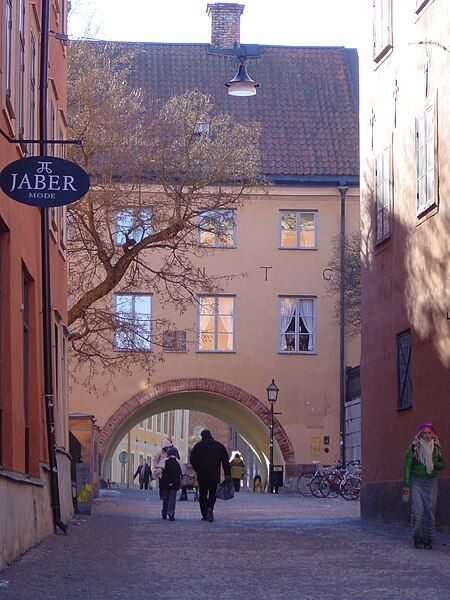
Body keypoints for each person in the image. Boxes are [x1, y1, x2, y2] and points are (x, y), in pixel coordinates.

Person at [403, 422, 445, 549]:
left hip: (431, 482)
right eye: (424, 433)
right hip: (417, 482)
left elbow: (442, 465)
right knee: (418, 510)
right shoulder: (413, 448)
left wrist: (433, 463)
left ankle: (428, 540)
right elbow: (408, 466)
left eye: (429, 433)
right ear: (420, 434)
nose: (427, 436)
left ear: (433, 435)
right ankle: (418, 538)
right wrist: (406, 484)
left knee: (429, 511)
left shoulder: (436, 448)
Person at [190, 429, 231, 522]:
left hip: (202, 475)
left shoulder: (198, 446)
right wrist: (227, 474)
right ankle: (210, 507)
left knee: (203, 494)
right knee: (213, 493)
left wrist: (197, 469)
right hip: (214, 474)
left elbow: (192, 459)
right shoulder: (219, 446)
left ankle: (204, 514)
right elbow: (225, 461)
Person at [160, 447, 182, 521]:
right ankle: (171, 514)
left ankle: (164, 513)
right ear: (176, 454)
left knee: (166, 498)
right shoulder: (178, 462)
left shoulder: (164, 461)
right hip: (175, 483)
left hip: (165, 483)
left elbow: (159, 470)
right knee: (172, 499)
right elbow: (182, 472)